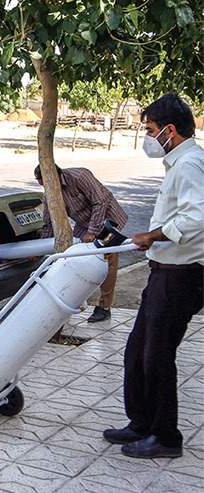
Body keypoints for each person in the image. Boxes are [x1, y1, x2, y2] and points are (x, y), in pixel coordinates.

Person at [103, 93, 203, 459]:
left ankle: (165, 438)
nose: (147, 137)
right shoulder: (180, 163)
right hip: (163, 273)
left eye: (150, 130)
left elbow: (197, 219)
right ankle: (141, 423)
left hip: (181, 277)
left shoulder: (191, 164)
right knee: (137, 352)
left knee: (157, 357)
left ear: (170, 131)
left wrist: (153, 235)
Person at [34, 164, 128, 322]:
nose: (46, 189)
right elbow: (49, 222)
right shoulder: (49, 191)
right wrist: (41, 248)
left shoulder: (79, 176)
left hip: (107, 219)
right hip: (84, 223)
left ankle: (104, 307)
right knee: (74, 256)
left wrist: (92, 231)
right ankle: (69, 300)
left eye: (46, 184)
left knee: (107, 261)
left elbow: (100, 202)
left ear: (54, 176)